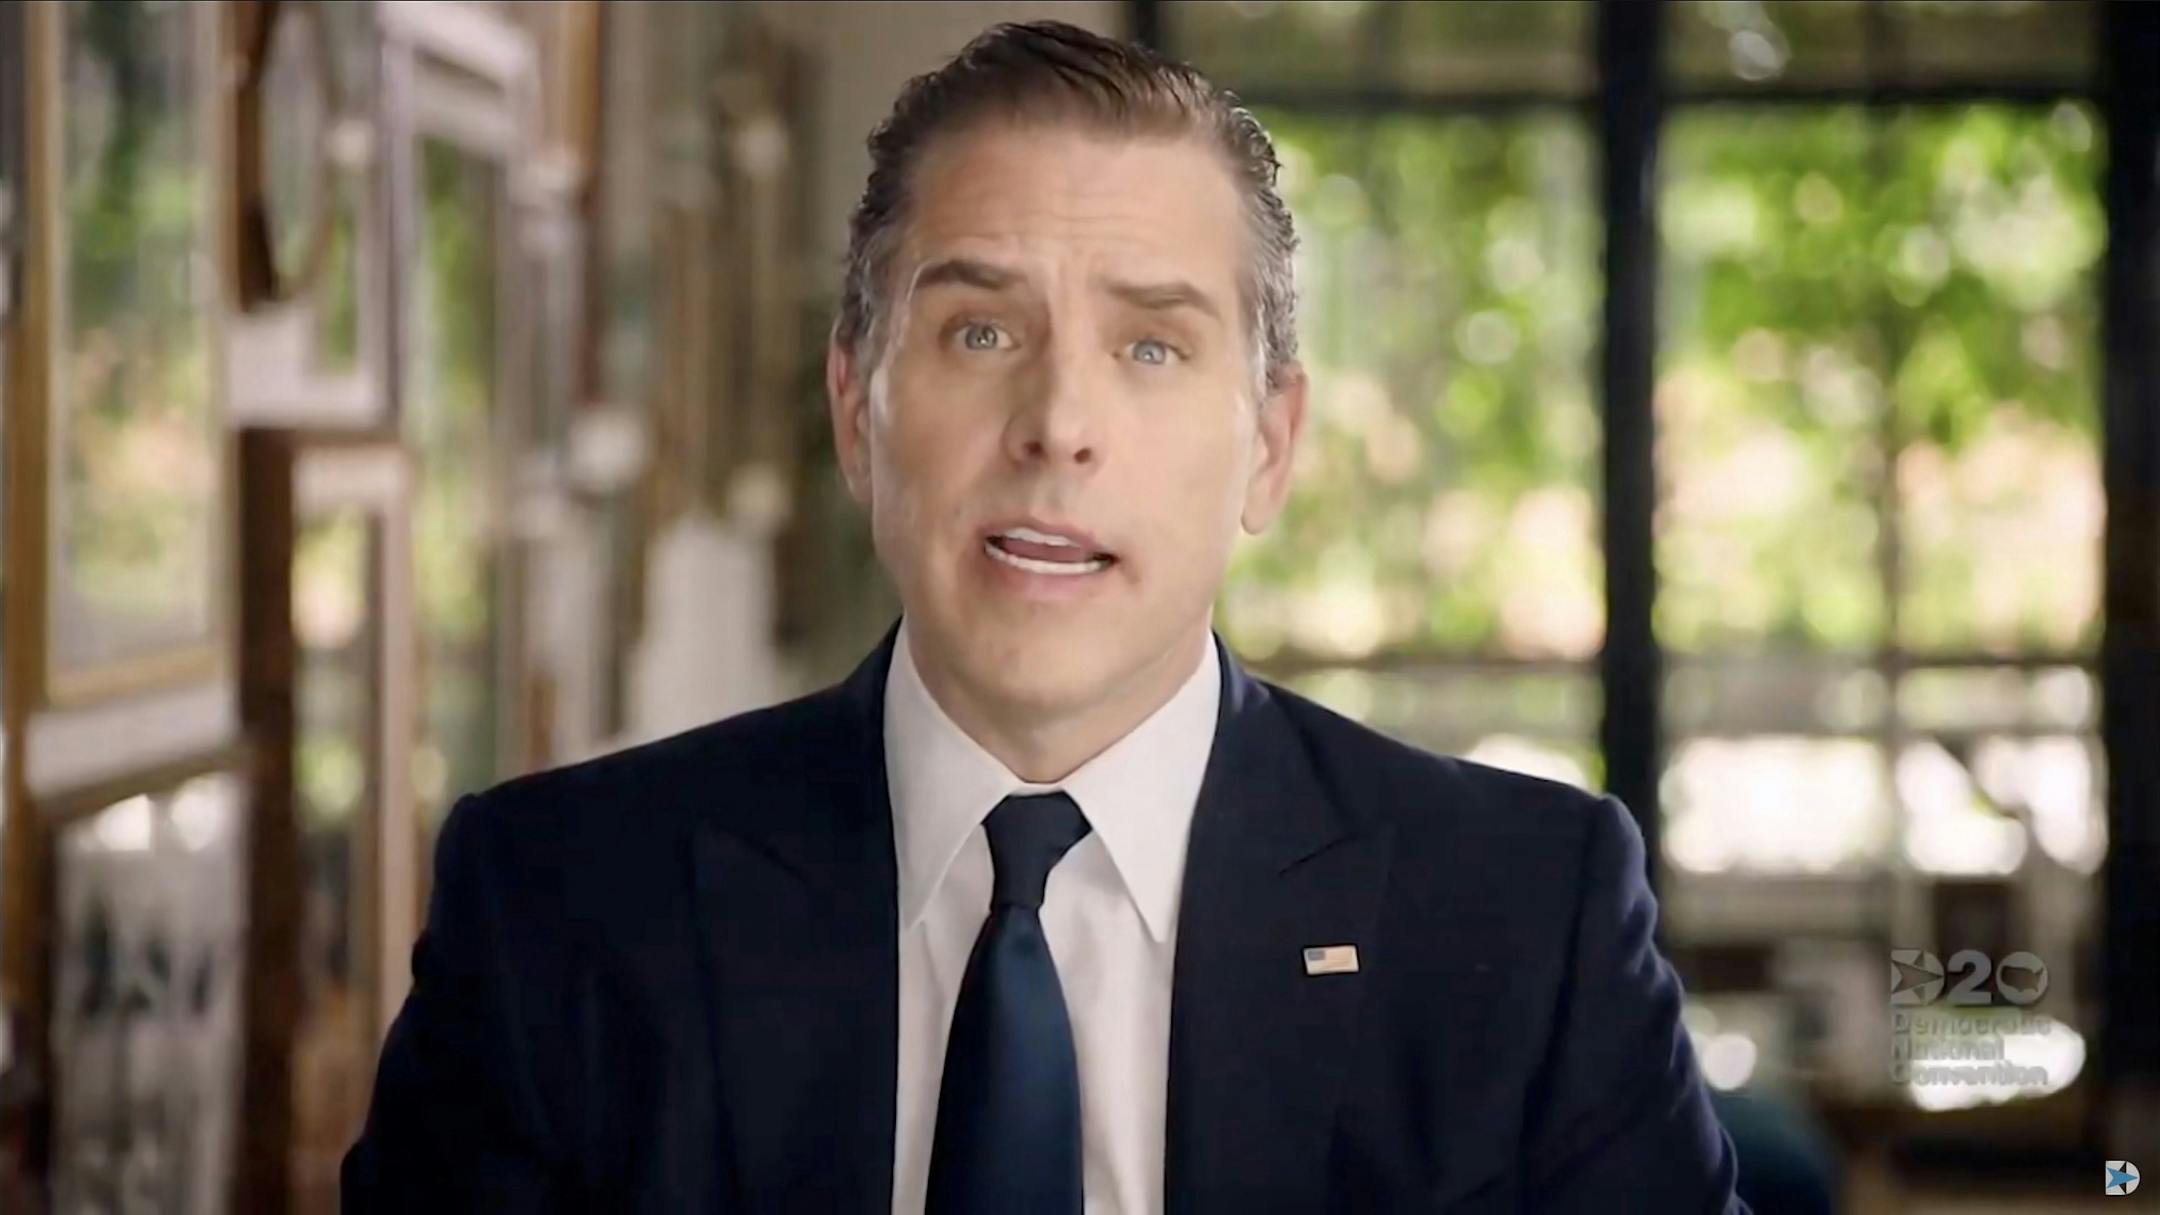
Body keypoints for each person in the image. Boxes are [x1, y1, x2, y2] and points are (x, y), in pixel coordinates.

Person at [343, 20, 1746, 1214]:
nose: (1059, 424)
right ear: (857, 410)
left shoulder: (1524, 916)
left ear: (1267, 445)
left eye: (1150, 345)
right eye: (980, 332)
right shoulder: (557, 906)